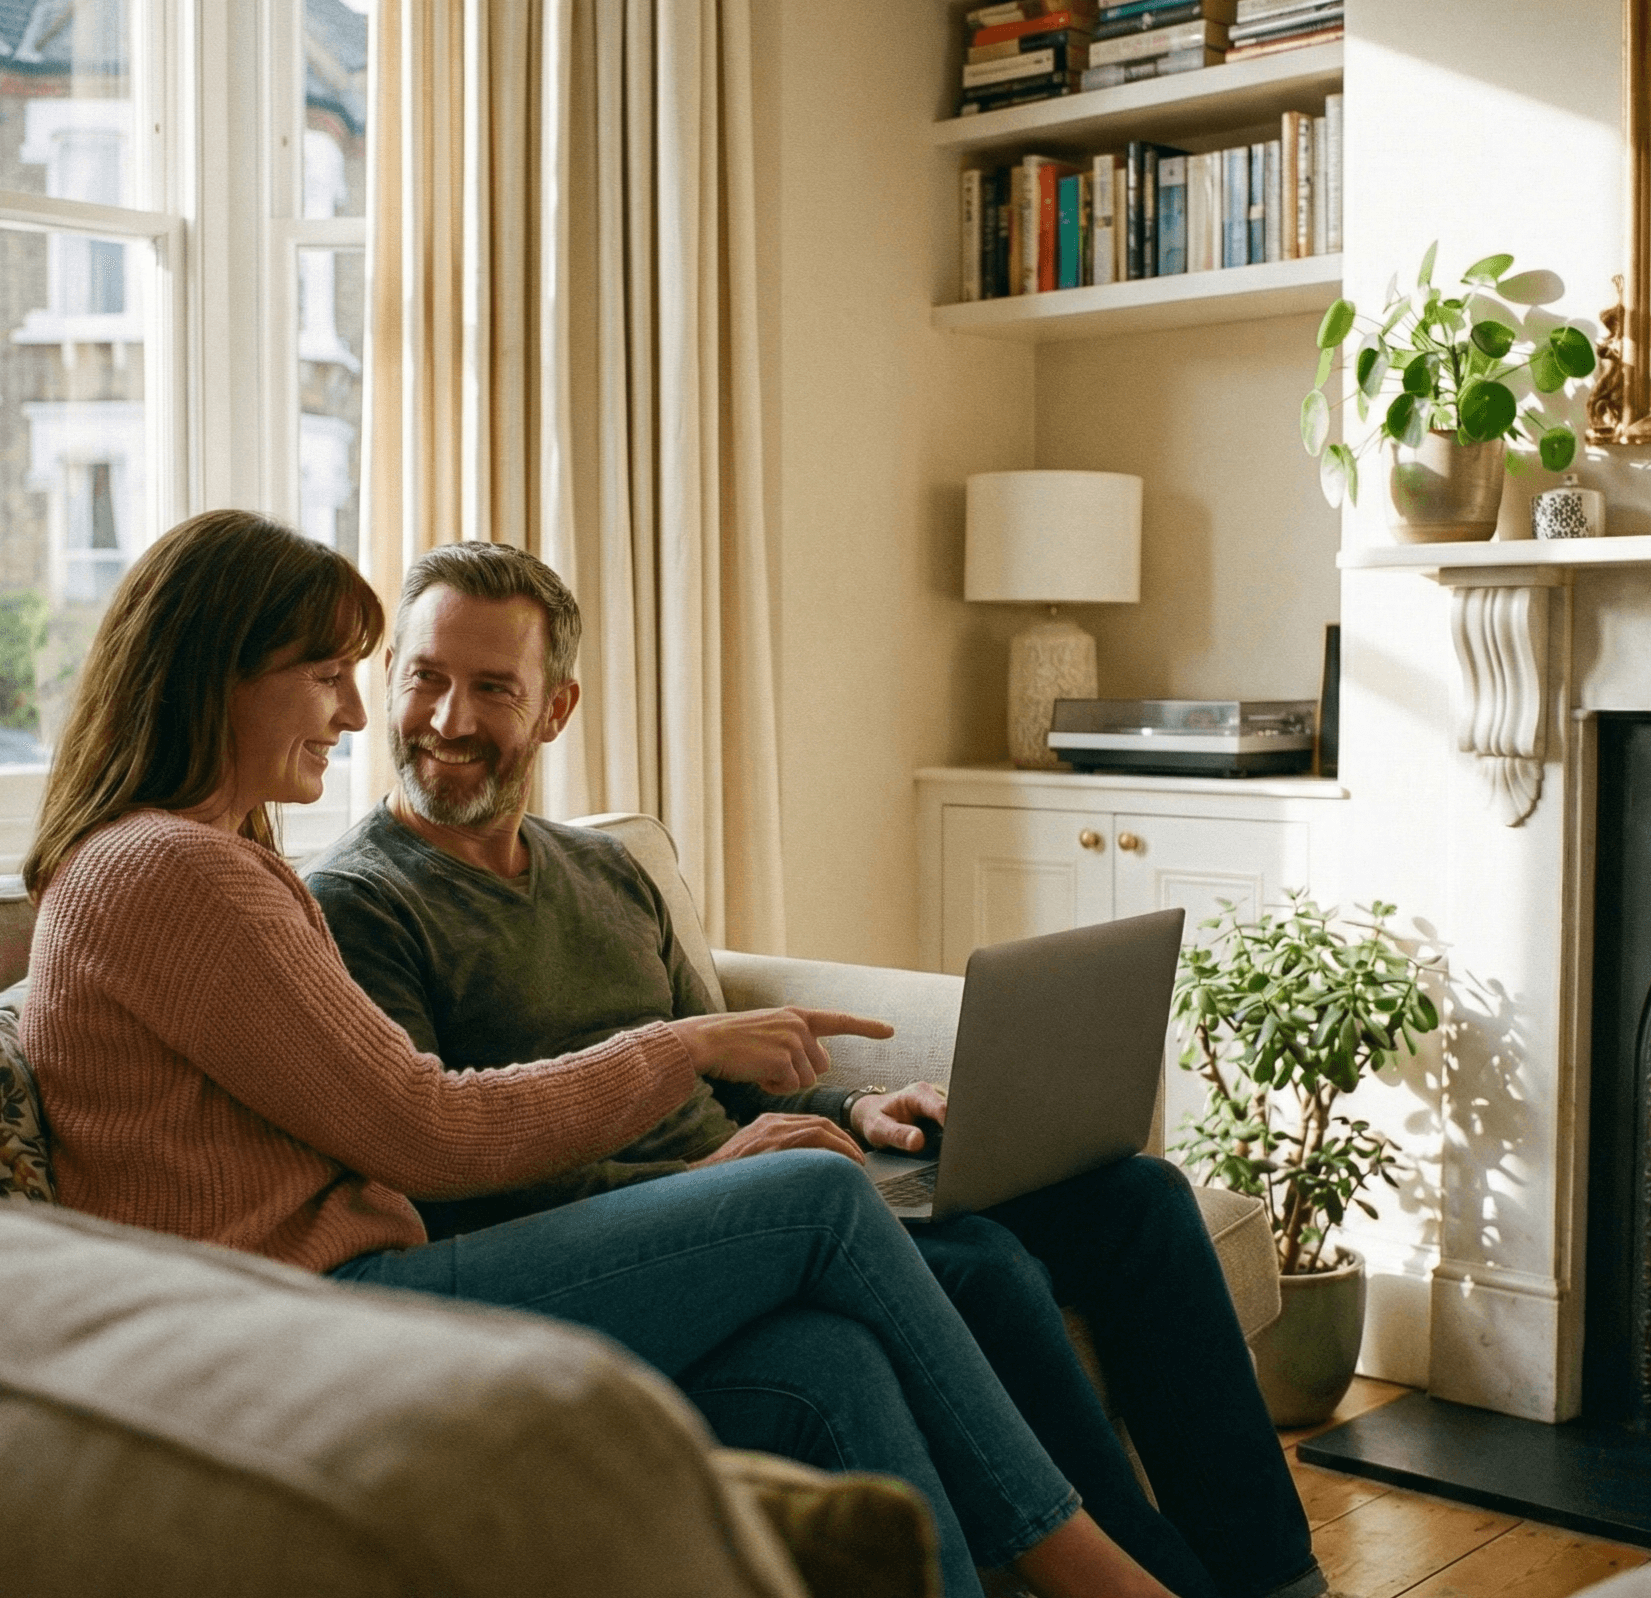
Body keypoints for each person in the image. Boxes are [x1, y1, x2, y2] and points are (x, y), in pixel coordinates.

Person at [19, 509, 1193, 1598]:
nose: (356, 714)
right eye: (331, 676)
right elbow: (425, 1125)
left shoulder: (201, 858)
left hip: (342, 1290)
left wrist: (780, 1087)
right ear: (217, 675)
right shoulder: (172, 872)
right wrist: (677, 1050)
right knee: (821, 1193)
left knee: (826, 1358)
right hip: (308, 1319)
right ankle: (1105, 1578)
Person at [305, 540, 1326, 1598]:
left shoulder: (605, 870)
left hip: (782, 1177)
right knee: (982, 1266)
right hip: (681, 1234)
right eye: (425, 677)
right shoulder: (362, 903)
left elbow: (722, 1071)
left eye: (491, 689)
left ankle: (1277, 1577)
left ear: (555, 709)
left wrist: (855, 1103)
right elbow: (443, 1163)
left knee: (1137, 1199)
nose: (448, 720)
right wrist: (713, 1182)